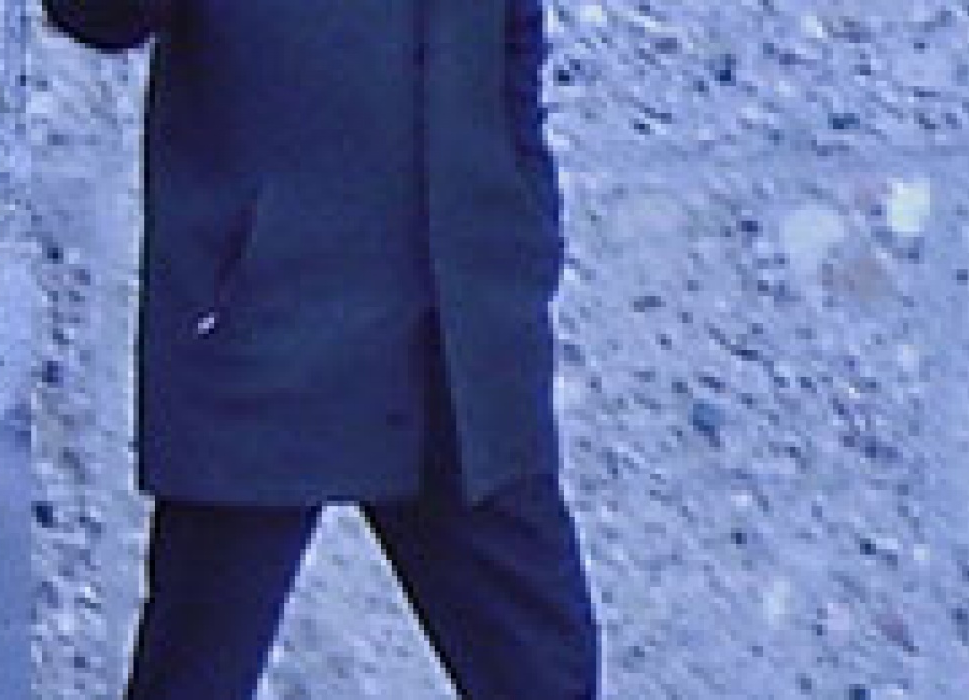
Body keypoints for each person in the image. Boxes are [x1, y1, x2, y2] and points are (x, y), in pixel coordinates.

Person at [42, 0, 599, 697]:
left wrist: (521, 236)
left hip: (459, 337)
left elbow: (512, 49)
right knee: (198, 669)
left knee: (546, 669)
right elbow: (98, 17)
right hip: (266, 320)